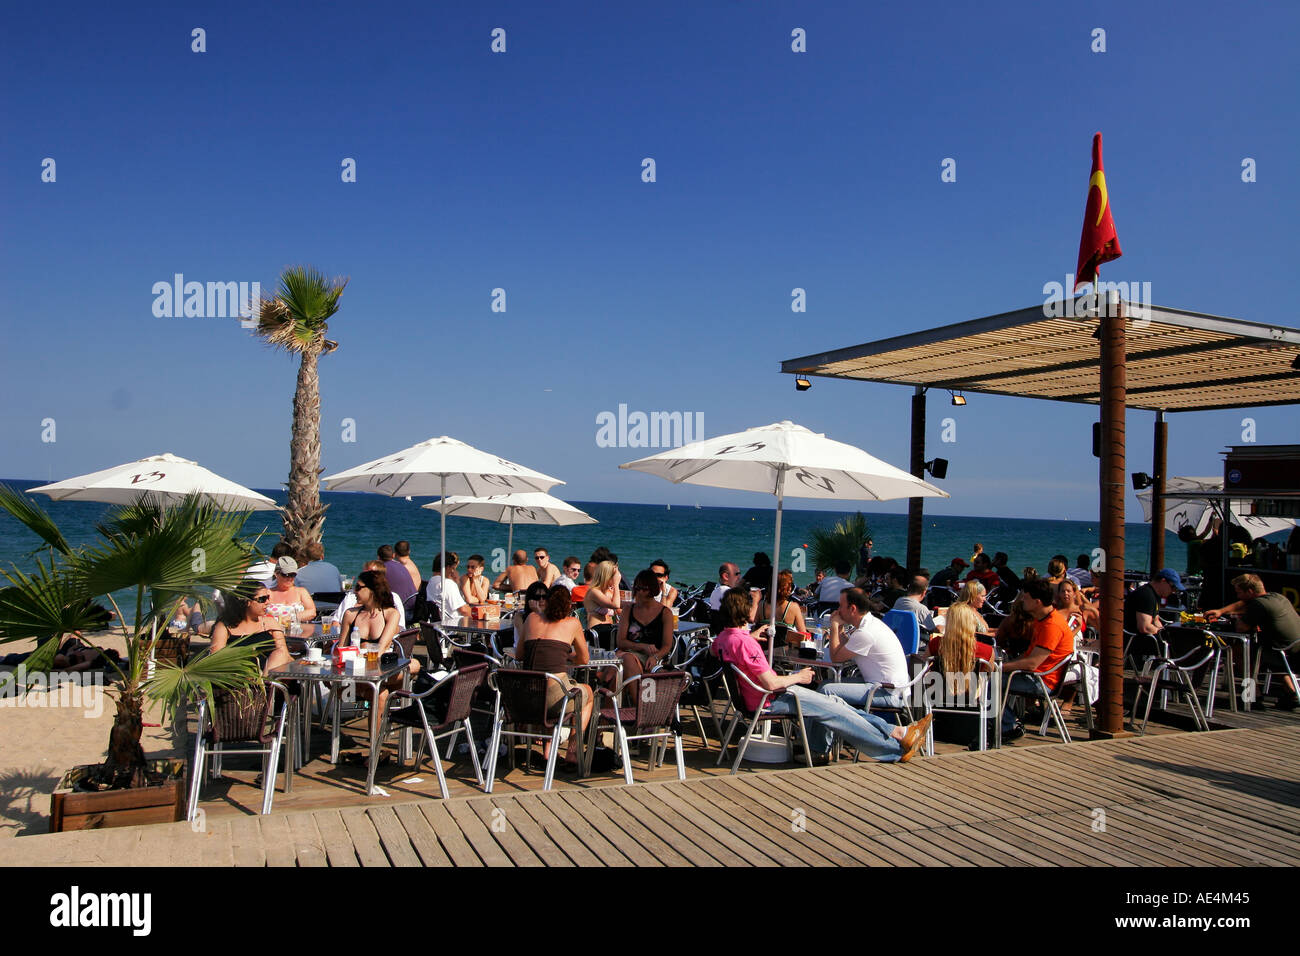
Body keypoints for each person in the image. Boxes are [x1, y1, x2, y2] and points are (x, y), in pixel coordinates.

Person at [713, 589, 932, 764]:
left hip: (760, 698)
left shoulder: (725, 639)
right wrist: (798, 677)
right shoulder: (745, 643)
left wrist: (747, 635)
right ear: (743, 609)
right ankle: (893, 749)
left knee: (835, 701)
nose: (756, 606)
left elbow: (718, 650)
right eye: (753, 603)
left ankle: (896, 730)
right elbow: (770, 682)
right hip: (770, 699)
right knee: (837, 713)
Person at [514, 585, 593, 768]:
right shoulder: (572, 624)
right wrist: (566, 654)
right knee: (586, 693)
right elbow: (584, 659)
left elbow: (519, 655)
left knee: (544, 684)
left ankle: (548, 751)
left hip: (525, 696)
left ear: (546, 602)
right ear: (570, 606)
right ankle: (573, 751)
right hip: (554, 697)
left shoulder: (532, 618)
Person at [1206, 573, 1300, 709]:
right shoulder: (1277, 597)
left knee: (1240, 651)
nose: (1237, 596)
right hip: (1293, 647)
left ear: (1249, 591)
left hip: (1283, 651)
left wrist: (1236, 617)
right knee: (1270, 652)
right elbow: (1243, 603)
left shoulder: (1258, 604)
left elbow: (1241, 628)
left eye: (1239, 592)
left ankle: (1252, 696)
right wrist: (1221, 611)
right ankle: (1292, 693)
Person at [998, 578, 1076, 739]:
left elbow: (1032, 663)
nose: (1022, 600)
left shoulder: (1051, 626)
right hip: (1038, 675)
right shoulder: (1042, 620)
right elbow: (1028, 656)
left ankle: (1009, 726)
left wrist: (1000, 667)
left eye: (1025, 598)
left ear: (1037, 602)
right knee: (992, 677)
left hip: (1042, 681)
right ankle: (1004, 722)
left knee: (988, 682)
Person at [339, 569, 417, 716]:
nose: (354, 591)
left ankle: (374, 738)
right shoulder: (350, 614)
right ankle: (365, 691)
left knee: (414, 666)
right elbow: (341, 649)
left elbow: (381, 648)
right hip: (355, 671)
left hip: (378, 669)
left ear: (373, 590)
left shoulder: (390, 614)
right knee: (382, 694)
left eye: (358, 587)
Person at [821, 588, 911, 709]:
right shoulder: (870, 624)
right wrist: (840, 629)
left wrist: (834, 626)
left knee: (826, 691)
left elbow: (836, 658)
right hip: (887, 687)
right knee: (825, 684)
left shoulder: (866, 632)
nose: (838, 610)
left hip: (888, 692)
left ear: (852, 609)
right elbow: (846, 650)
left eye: (840, 606)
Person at [208, 584, 291, 675]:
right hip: (238, 677)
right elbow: (216, 659)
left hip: (270, 674)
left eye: (268, 597)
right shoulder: (225, 626)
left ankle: (264, 683)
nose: (267, 602)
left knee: (280, 652)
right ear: (248, 602)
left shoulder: (269, 623)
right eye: (262, 599)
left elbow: (284, 654)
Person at [616, 569, 675, 674]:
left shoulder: (665, 613)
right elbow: (621, 642)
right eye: (637, 588)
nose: (639, 592)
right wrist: (643, 647)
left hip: (652, 656)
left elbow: (667, 645)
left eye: (644, 589)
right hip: (629, 652)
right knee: (623, 662)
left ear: (652, 590)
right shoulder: (628, 610)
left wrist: (655, 657)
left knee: (624, 663)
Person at [333, 562, 406, 629]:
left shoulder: (393, 599)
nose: (364, 577)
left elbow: (399, 628)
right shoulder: (351, 596)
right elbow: (336, 621)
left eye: (370, 575)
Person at [1124, 569, 1181, 637]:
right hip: (1134, 640)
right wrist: (1163, 634)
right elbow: (1144, 627)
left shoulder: (1155, 595)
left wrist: (1163, 631)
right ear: (1163, 581)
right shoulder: (1146, 595)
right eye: (1173, 587)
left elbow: (1155, 620)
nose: (1173, 591)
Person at [425, 552, 473, 628]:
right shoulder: (447, 584)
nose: (453, 571)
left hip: (439, 625)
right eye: (452, 568)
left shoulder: (431, 582)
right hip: (455, 626)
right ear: (447, 567)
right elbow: (463, 610)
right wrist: (478, 615)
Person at [583, 560, 623, 649]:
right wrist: (616, 584)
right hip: (596, 633)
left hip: (608, 631)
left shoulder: (608, 592)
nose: (616, 578)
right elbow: (616, 604)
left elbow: (621, 604)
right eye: (614, 576)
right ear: (606, 576)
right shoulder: (594, 592)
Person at [758, 569, 808, 640]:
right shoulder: (793, 607)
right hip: (785, 649)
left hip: (764, 648)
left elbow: (755, 627)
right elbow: (803, 634)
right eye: (790, 585)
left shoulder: (761, 605)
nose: (791, 588)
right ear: (786, 588)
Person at [266, 556, 317, 623]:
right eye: (286, 575)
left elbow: (312, 612)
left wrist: (290, 618)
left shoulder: (301, 592)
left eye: (293, 575)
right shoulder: (268, 593)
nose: (290, 578)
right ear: (276, 574)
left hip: (299, 630)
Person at [378, 544, 417, 613]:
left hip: (403, 611)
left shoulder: (382, 569)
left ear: (378, 557)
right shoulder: (402, 566)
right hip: (415, 607)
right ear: (393, 555)